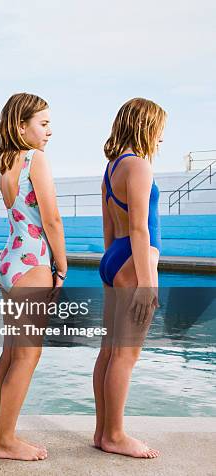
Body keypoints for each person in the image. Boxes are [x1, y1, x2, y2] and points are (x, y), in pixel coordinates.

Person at [0, 93, 67, 461]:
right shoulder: (35, 159)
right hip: (33, 263)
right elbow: (50, 218)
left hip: (9, 262)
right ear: (22, 126)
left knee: (10, 355)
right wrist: (62, 264)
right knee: (27, 356)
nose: (50, 130)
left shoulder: (7, 164)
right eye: (44, 123)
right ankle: (5, 441)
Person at [93, 98, 165, 459]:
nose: (162, 138)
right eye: (159, 129)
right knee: (127, 354)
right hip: (134, 263)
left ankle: (102, 431)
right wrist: (146, 283)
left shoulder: (111, 168)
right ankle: (116, 435)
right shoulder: (138, 165)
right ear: (145, 127)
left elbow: (110, 228)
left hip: (114, 259)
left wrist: (112, 268)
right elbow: (140, 229)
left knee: (110, 351)